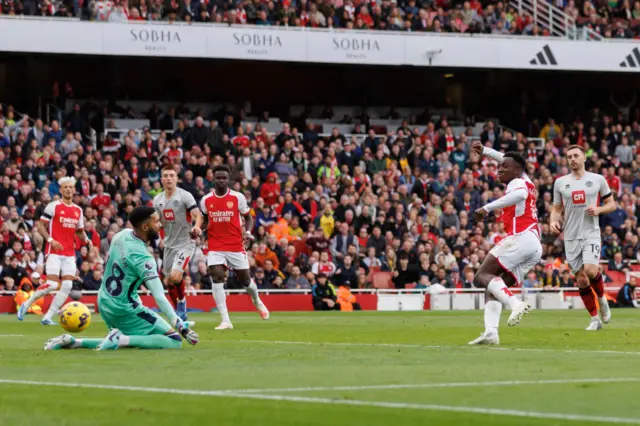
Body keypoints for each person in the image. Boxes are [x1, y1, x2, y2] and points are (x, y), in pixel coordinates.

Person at [44, 206, 198, 350]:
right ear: (145, 227)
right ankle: (119, 339)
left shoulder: (120, 235)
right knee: (174, 340)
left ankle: (74, 342)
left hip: (104, 299)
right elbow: (158, 296)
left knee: (132, 339)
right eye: (156, 221)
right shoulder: (144, 258)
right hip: (124, 307)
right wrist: (179, 324)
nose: (160, 225)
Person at [469, 143, 541, 345]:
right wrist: (485, 151)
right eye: (499, 166)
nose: (500, 169)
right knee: (492, 286)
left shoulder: (517, 183)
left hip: (521, 236)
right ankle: (491, 332)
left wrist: (486, 208)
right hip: (534, 244)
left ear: (517, 170)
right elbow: (506, 158)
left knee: (481, 275)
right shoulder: (526, 179)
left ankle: (515, 304)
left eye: (504, 167)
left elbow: (519, 196)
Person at [551, 145, 616, 330]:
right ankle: (595, 319)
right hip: (570, 236)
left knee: (590, 270)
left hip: (591, 233)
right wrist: (553, 222)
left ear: (584, 158)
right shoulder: (560, 182)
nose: (572, 159)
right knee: (581, 279)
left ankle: (602, 300)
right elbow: (556, 209)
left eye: (576, 155)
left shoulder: (597, 179)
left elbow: (611, 204)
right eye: (569, 156)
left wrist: (599, 209)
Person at [200, 164, 269, 330]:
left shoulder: (238, 198)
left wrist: (248, 231)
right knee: (216, 276)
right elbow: (204, 220)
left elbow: (249, 218)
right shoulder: (206, 200)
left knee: (245, 280)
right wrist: (197, 229)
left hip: (235, 245)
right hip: (215, 245)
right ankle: (225, 320)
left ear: (228, 179)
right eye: (218, 178)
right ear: (213, 179)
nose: (221, 180)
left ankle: (256, 300)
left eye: (224, 178)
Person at [18, 177, 91, 325]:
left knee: (67, 286)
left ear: (74, 190)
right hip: (54, 251)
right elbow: (40, 226)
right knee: (52, 284)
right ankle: (26, 304)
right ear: (61, 189)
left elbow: (79, 231)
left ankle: (47, 317)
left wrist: (86, 239)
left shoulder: (78, 210)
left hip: (70, 253)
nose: (68, 189)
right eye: (66, 187)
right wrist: (50, 240)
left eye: (71, 187)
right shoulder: (53, 206)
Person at [153, 166, 203, 322]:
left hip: (186, 242)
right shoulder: (158, 200)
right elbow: (158, 221)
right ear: (161, 179)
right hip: (169, 244)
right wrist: (157, 228)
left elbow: (197, 214)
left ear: (176, 178)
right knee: (168, 281)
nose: (168, 178)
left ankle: (182, 304)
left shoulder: (184, 196)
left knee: (175, 276)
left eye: (171, 175)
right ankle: (178, 314)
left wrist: (197, 226)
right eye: (165, 175)